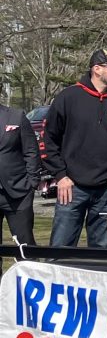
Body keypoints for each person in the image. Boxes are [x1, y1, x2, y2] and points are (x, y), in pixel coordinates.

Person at [42, 48, 107, 248]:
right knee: (60, 251)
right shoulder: (68, 98)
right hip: (70, 188)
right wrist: (60, 175)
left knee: (104, 255)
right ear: (97, 69)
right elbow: (48, 141)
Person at [0, 103, 41, 246]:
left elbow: (31, 151)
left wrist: (32, 182)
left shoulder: (16, 116)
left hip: (18, 193)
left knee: (25, 246)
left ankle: (29, 268)